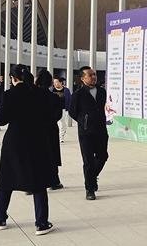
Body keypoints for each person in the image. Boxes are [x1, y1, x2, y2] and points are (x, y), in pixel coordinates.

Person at [0, 64, 57, 235]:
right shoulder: (41, 93)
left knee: (6, 179)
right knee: (38, 181)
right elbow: (52, 115)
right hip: (38, 140)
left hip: (15, 141)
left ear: (13, 78)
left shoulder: (9, 95)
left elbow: (1, 120)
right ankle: (41, 223)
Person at [69, 66, 109, 200]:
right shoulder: (78, 94)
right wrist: (84, 121)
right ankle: (90, 189)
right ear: (82, 78)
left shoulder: (102, 91)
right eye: (90, 75)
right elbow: (72, 112)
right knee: (88, 161)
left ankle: (91, 177)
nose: (93, 77)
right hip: (86, 133)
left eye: (94, 74)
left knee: (103, 156)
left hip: (101, 130)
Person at [35, 70, 64, 190]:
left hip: (35, 129)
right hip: (50, 129)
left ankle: (33, 182)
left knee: (35, 155)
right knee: (52, 154)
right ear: (50, 82)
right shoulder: (54, 97)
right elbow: (58, 115)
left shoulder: (32, 97)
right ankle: (54, 181)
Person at [51, 77, 72, 143]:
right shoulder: (52, 90)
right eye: (54, 82)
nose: (55, 84)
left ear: (60, 82)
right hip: (54, 110)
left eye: (56, 82)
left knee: (62, 123)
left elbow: (70, 100)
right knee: (56, 124)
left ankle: (61, 136)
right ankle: (57, 136)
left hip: (63, 109)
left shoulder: (66, 90)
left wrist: (68, 108)